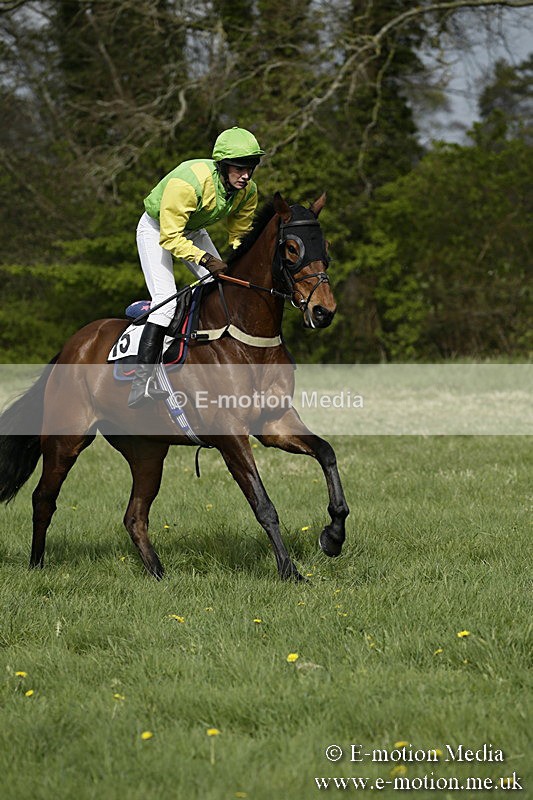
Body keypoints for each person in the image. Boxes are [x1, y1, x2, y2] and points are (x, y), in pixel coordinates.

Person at [128, 126, 265, 408]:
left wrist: (241, 263)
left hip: (193, 230)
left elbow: (239, 234)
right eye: (240, 169)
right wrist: (205, 259)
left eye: (251, 168)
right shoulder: (188, 183)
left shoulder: (247, 191)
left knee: (225, 287)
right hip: (157, 230)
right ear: (223, 166)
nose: (246, 175)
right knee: (165, 303)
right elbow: (170, 237)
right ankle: (141, 383)